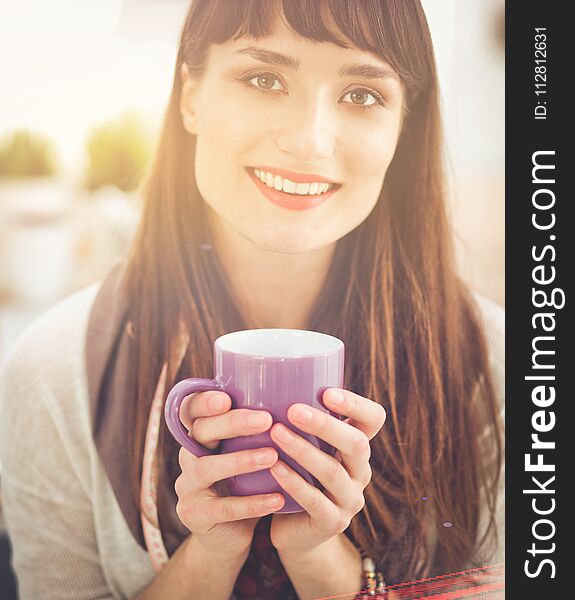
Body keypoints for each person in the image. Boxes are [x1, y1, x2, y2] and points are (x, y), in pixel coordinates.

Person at [0, 1, 504, 599]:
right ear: (191, 96)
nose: (310, 142)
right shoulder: (53, 375)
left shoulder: (499, 368)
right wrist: (211, 554)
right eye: (264, 79)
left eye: (363, 94)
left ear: (403, 127)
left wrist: (320, 558)